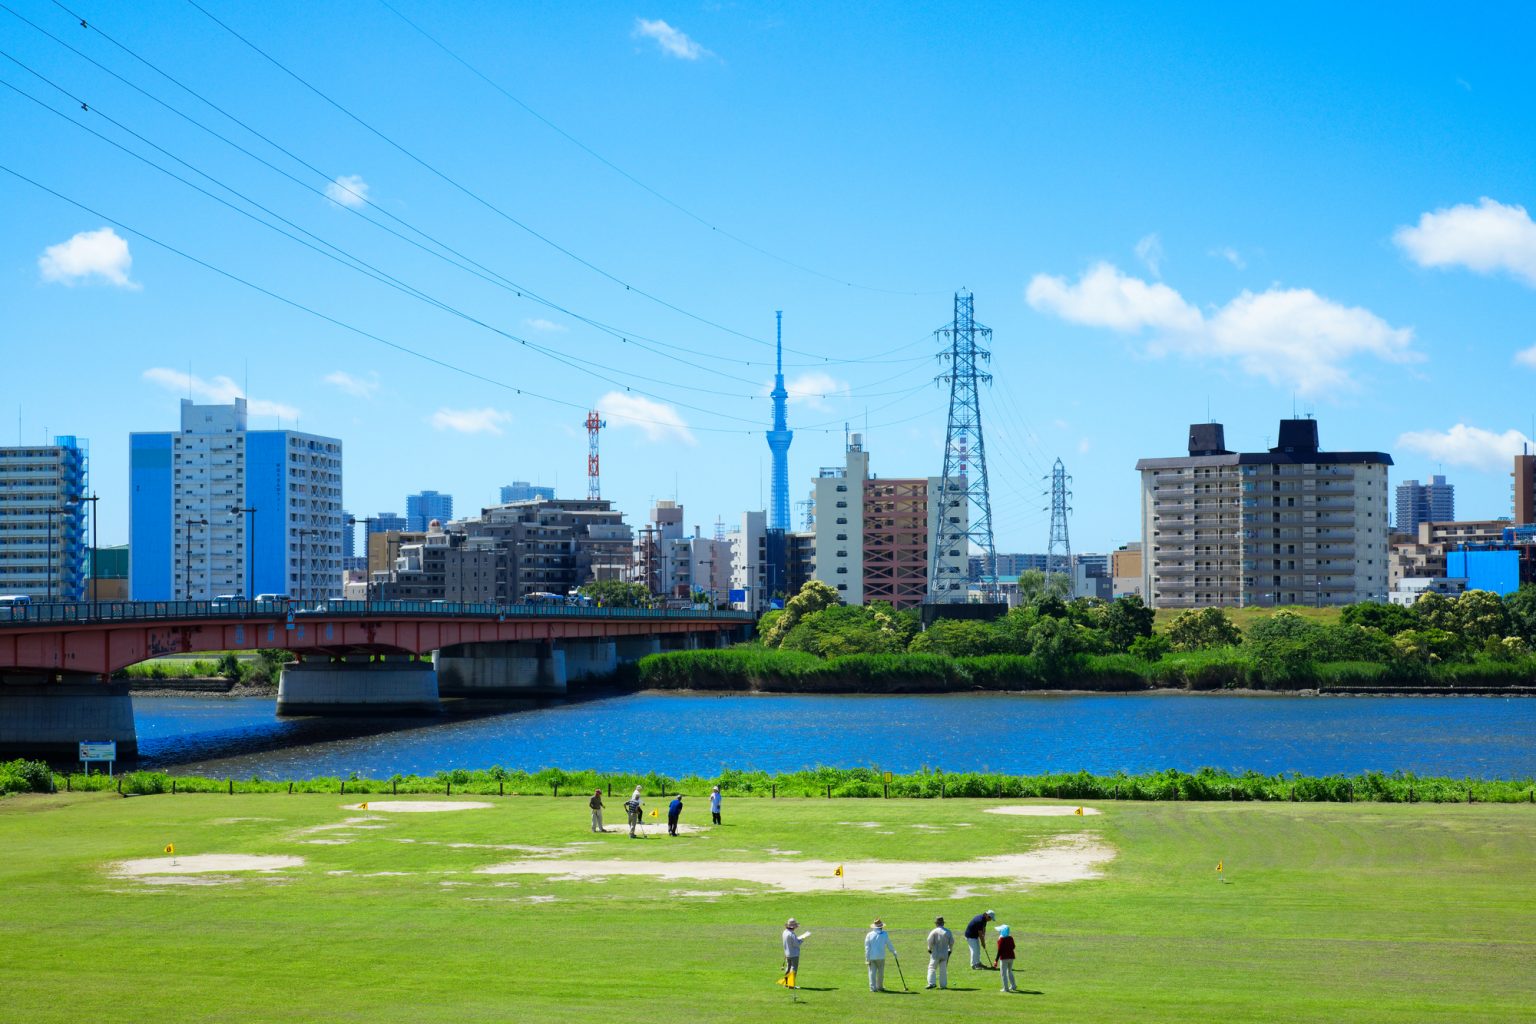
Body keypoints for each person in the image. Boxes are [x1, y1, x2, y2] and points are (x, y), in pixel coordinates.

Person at [864, 917, 896, 992]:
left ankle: (873, 988)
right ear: (881, 927)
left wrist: (867, 958)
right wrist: (893, 951)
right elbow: (889, 944)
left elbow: (867, 948)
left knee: (872, 973)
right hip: (881, 956)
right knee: (881, 973)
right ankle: (880, 987)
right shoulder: (885, 934)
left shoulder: (869, 935)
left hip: (872, 957)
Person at [925, 915, 954, 989]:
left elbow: (929, 940)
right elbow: (951, 942)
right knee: (943, 970)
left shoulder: (934, 931)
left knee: (932, 968)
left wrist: (929, 948)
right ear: (943, 923)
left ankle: (932, 983)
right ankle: (943, 985)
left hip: (935, 953)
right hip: (945, 953)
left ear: (936, 923)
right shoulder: (948, 931)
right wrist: (950, 949)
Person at [781, 917, 808, 985]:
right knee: (793, 969)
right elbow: (797, 944)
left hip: (787, 953)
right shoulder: (791, 934)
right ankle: (791, 985)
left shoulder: (784, 932)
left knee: (788, 968)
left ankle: (786, 983)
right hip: (794, 954)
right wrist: (802, 939)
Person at [996, 924, 1017, 993]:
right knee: (1010, 971)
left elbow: (999, 950)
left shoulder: (1001, 939)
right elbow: (1013, 947)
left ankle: (1006, 988)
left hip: (1004, 958)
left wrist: (996, 960)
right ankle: (1013, 985)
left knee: (1003, 973)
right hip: (1011, 957)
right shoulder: (1010, 938)